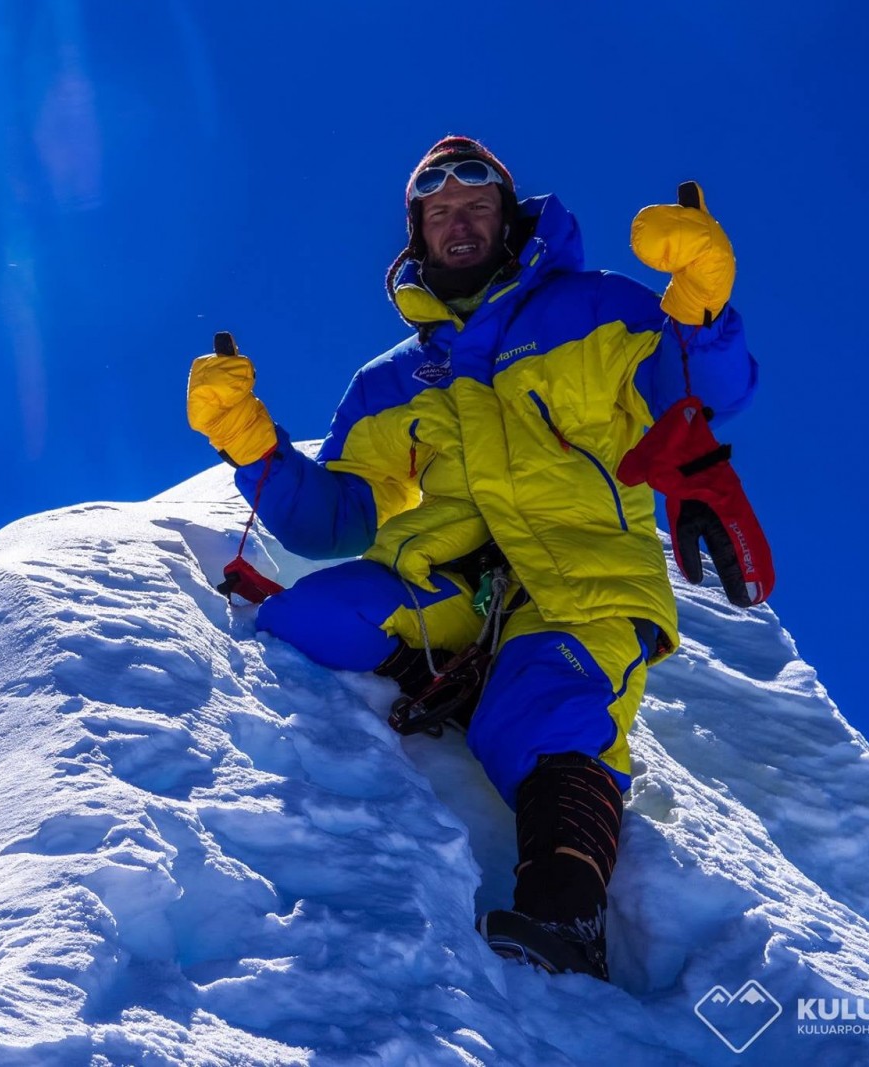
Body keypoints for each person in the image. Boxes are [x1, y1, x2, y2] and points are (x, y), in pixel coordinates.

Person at [186, 135, 758, 980]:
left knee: (543, 705)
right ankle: (463, 678)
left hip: (583, 584)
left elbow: (703, 394)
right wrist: (253, 447)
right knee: (313, 615)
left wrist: (701, 308)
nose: (459, 222)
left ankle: (566, 919)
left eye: (476, 206)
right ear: (416, 233)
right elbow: (332, 522)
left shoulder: (598, 308)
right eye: (439, 210)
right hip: (458, 593)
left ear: (507, 217)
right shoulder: (391, 381)